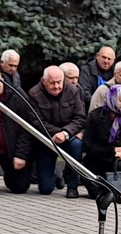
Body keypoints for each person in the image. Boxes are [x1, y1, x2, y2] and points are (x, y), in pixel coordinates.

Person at [26, 62, 87, 197]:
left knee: (76, 146)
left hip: (68, 135)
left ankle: (72, 186)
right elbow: (36, 121)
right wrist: (55, 133)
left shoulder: (73, 90)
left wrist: (65, 133)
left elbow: (80, 118)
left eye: (59, 82)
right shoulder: (34, 94)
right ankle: (55, 178)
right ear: (44, 82)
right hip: (47, 139)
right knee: (46, 189)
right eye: (52, 83)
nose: (57, 86)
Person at [83, 83, 121, 184]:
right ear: (113, 99)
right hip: (99, 159)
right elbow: (88, 145)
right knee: (98, 192)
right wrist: (114, 151)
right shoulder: (95, 116)